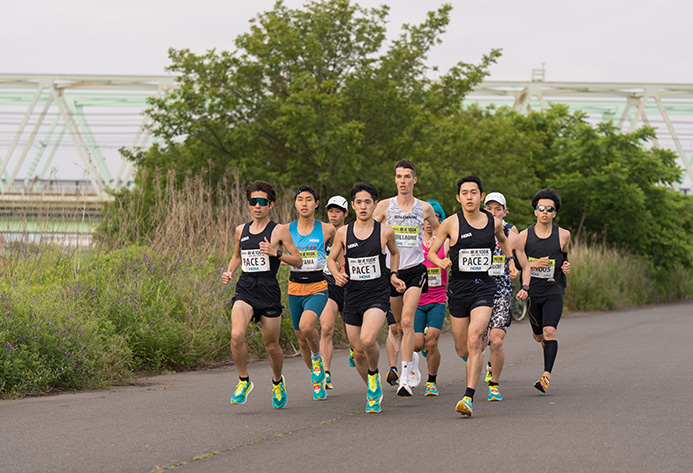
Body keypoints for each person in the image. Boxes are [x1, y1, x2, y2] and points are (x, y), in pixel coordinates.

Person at [427, 176, 528, 417]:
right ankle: (474, 361)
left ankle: (468, 397)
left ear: (481, 196)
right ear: (458, 198)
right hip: (459, 289)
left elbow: (504, 242)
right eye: (465, 193)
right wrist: (440, 260)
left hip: (484, 287)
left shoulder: (492, 222)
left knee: (475, 339)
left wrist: (511, 261)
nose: (469, 197)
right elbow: (432, 252)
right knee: (463, 349)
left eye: (474, 192)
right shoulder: (450, 224)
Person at [222, 180, 303, 409]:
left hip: (268, 290)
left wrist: (276, 253)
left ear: (271, 204)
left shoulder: (279, 230)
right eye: (253, 202)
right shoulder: (241, 230)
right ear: (249, 204)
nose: (257, 206)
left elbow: (297, 260)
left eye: (262, 202)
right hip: (245, 288)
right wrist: (229, 271)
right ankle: (243, 380)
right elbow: (237, 255)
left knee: (271, 346)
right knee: (237, 335)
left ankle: (277, 382)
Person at [327, 182, 405, 413]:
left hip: (376, 294)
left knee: (369, 340)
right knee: (358, 350)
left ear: (375, 205)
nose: (363, 206)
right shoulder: (343, 232)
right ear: (352, 205)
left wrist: (392, 274)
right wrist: (337, 274)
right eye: (359, 202)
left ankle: (373, 374)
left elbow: (395, 253)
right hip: (352, 294)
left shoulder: (385, 231)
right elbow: (331, 259)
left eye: (367, 202)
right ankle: (372, 383)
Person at [374, 160, 439, 396]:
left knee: (409, 322)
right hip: (391, 272)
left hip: (415, 269)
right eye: (399, 176)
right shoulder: (383, 207)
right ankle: (411, 359)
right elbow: (368, 232)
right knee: (399, 327)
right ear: (395, 180)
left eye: (407, 176)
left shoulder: (424, 208)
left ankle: (404, 377)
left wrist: (434, 242)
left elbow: (441, 231)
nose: (403, 181)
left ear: (415, 180)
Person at [517, 188, 571, 393]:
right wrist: (533, 263)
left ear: (555, 213)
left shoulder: (563, 235)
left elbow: (564, 258)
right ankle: (545, 345)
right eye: (541, 208)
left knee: (550, 331)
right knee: (539, 336)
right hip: (533, 293)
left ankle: (546, 375)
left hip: (554, 290)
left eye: (550, 209)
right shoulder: (524, 236)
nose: (545, 212)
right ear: (535, 212)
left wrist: (566, 266)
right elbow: (519, 263)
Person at [287, 185, 336, 401]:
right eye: (300, 199)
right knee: (300, 338)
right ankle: (316, 377)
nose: (304, 203)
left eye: (309, 199)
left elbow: (339, 251)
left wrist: (339, 269)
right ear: (295, 203)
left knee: (308, 326)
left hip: (318, 286)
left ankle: (318, 359)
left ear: (316, 204)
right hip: (294, 287)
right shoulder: (285, 229)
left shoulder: (327, 229)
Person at [481, 192, 529, 401]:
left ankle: (494, 384)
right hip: (477, 293)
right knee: (472, 346)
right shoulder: (474, 231)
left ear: (505, 211)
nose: (493, 212)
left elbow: (525, 265)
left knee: (497, 340)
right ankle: (480, 367)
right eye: (489, 208)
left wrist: (523, 283)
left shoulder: (511, 235)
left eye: (497, 209)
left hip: (501, 293)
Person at [414, 200, 448, 397]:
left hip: (437, 298)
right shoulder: (414, 240)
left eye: (435, 217)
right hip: (417, 299)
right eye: (426, 218)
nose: (429, 222)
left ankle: (431, 381)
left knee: (432, 342)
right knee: (418, 344)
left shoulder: (445, 241)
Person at [319, 195, 350, 389]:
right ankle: (326, 373)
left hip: (348, 286)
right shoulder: (321, 233)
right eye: (331, 211)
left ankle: (355, 349)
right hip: (327, 285)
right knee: (326, 328)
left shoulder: (351, 233)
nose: (333, 215)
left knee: (351, 334)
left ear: (346, 213)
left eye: (338, 211)